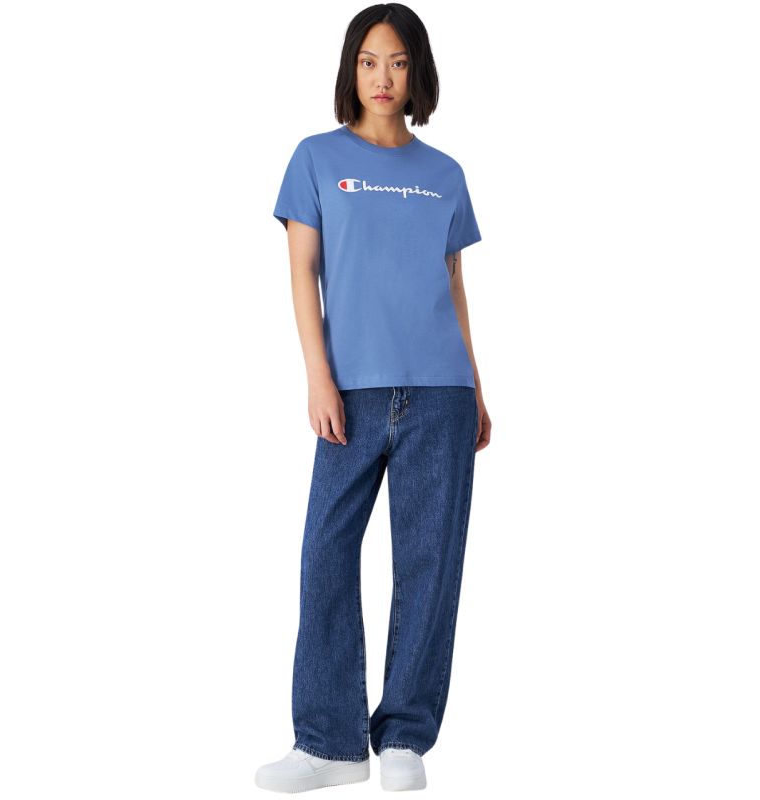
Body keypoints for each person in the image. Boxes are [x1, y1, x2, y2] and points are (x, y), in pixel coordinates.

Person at [256, 3, 491, 793]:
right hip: (350, 391)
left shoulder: (446, 173)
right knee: (326, 553)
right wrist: (317, 376)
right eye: (367, 61)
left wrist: (477, 386)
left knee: (430, 563)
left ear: (416, 70)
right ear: (349, 70)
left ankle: (404, 738)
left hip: (442, 391)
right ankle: (329, 743)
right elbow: (301, 272)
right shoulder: (317, 158)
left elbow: (453, 285)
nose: (381, 77)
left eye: (396, 61)